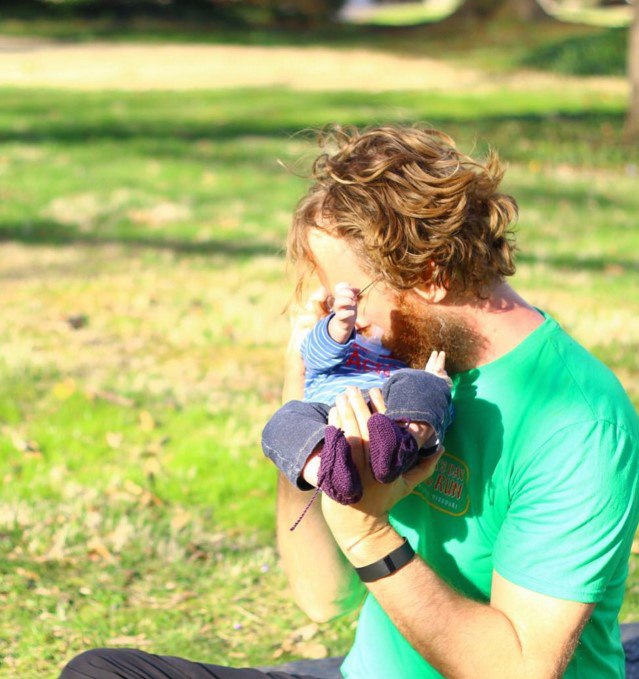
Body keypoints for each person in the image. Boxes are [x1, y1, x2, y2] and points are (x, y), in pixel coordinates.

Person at [59, 124, 639, 679]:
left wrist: (369, 535)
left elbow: (519, 671)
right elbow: (322, 595)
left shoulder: (576, 423)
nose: (347, 322)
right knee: (99, 672)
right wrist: (303, 393)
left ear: (431, 275)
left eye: (352, 297)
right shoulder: (398, 367)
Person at [261, 280, 454, 508]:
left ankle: (401, 445)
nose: (361, 316)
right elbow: (313, 354)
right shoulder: (332, 342)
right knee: (282, 421)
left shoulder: (402, 359)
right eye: (354, 304)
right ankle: (327, 470)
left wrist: (434, 381)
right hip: (328, 422)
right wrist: (338, 326)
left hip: (390, 417)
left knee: (423, 385)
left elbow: (425, 399)